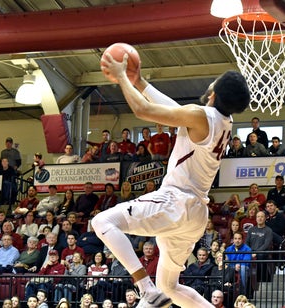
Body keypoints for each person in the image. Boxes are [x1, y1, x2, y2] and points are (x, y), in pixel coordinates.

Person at [93, 54, 251, 307]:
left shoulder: (201, 115)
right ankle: (158, 291)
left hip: (175, 201)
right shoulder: (223, 120)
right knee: (170, 286)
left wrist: (122, 76)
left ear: (214, 91)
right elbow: (177, 112)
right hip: (195, 214)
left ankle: (145, 288)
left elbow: (143, 110)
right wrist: (140, 82)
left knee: (102, 221)